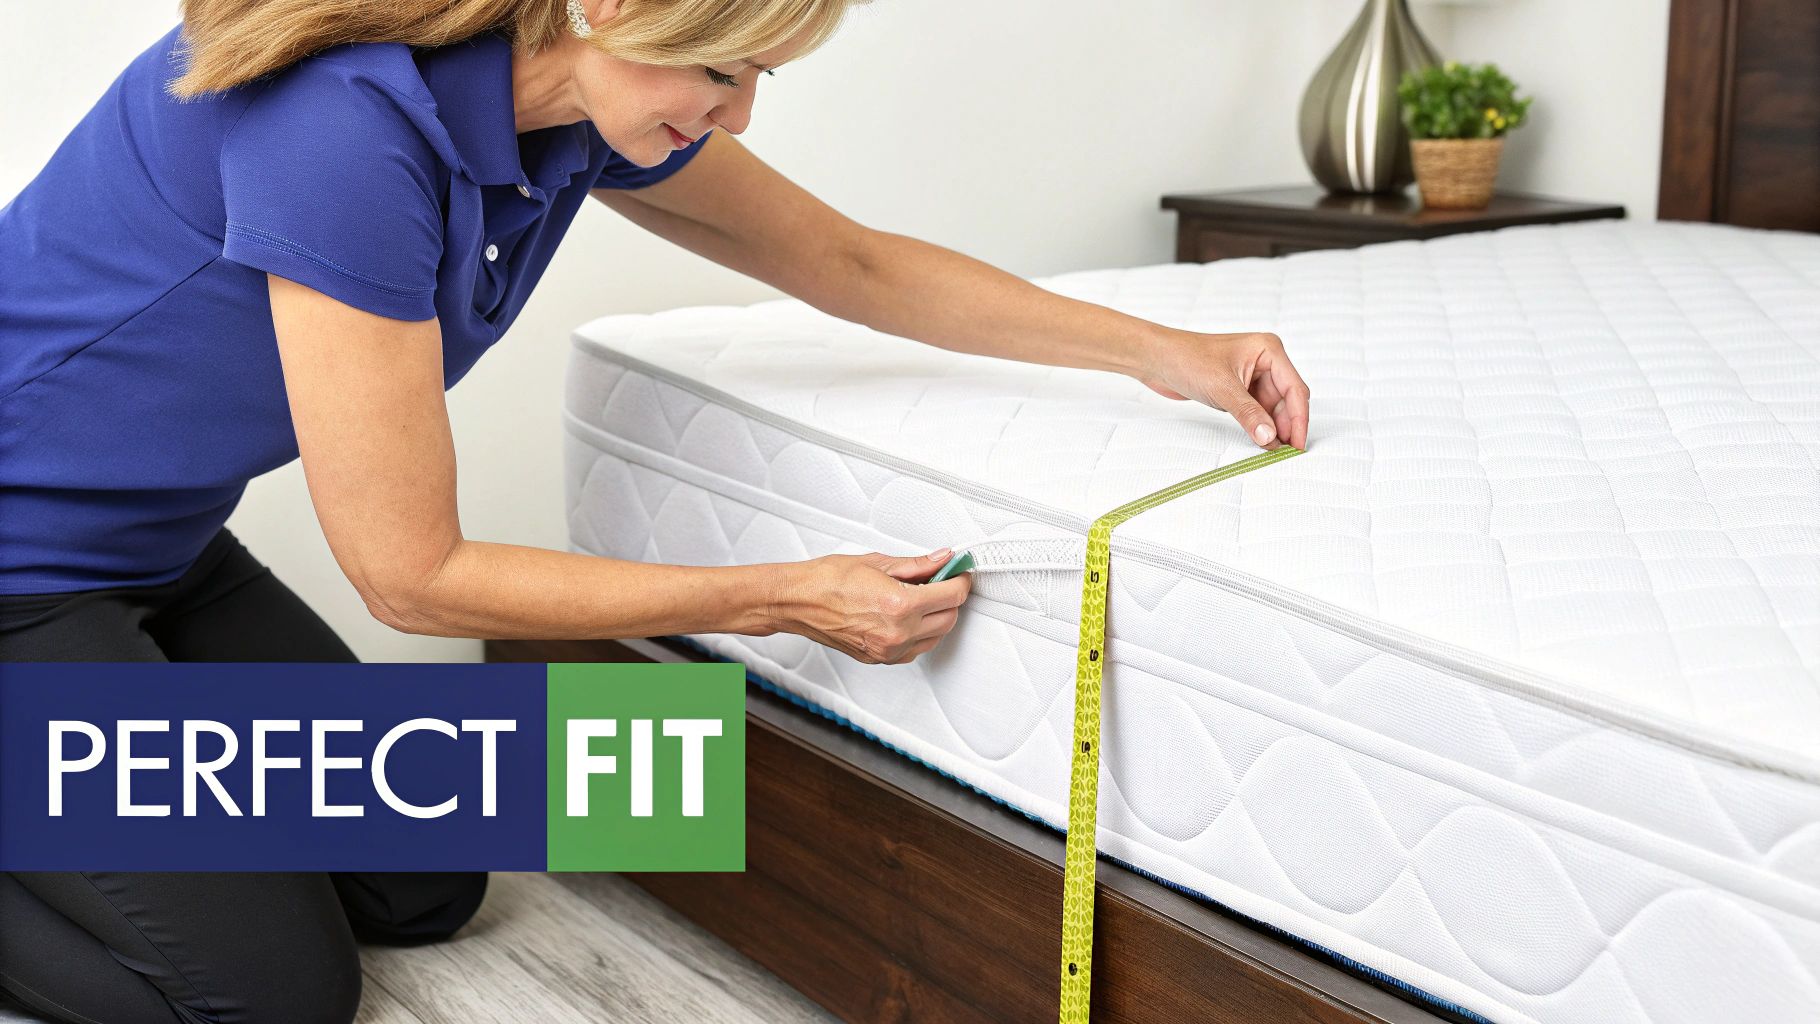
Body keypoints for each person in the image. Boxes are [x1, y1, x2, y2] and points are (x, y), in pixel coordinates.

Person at [0, 0, 1313, 1019]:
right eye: (724, 72)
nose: (736, 116)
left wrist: (1161, 347)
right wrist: (781, 597)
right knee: (268, 997)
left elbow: (843, 260)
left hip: (158, 550)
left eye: (760, 80)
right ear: (613, 9)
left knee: (423, 882)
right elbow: (413, 578)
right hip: (17, 577)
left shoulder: (572, 109)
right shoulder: (339, 129)